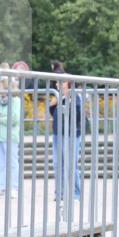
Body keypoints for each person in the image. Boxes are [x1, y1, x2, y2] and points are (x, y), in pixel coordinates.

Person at [50, 78, 84, 210]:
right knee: (58, 163)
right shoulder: (58, 97)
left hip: (71, 134)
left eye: (62, 82)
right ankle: (60, 192)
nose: (58, 84)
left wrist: (67, 102)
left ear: (69, 84)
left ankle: (76, 193)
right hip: (58, 133)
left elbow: (77, 114)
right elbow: (53, 113)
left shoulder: (74, 96)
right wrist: (53, 105)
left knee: (71, 163)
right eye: (57, 82)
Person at [0, 76, 23, 193]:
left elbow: (14, 119)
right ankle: (2, 186)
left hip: (11, 136)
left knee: (13, 163)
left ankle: (14, 187)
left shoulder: (16, 101)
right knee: (1, 163)